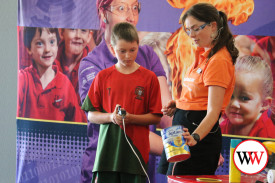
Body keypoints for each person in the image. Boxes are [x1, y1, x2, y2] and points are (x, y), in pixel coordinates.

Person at [78, 0, 172, 182]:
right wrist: (182, 152)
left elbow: (166, 114)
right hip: (104, 169)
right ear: (104, 13)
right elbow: (120, 126)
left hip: (139, 169)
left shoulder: (148, 55)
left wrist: (184, 145)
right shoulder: (92, 65)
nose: (130, 16)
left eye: (134, 8)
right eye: (121, 8)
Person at [158, 3, 239, 175]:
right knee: (173, 178)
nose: (191, 35)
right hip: (182, 129)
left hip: (196, 135)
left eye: (196, 29)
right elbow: (197, 96)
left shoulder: (218, 60)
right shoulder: (201, 54)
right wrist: (179, 104)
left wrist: (195, 137)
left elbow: (212, 111)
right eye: (188, 30)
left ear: (213, 26)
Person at [17, 27, 85, 122]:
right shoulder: (23, 79)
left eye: (52, 42)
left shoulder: (65, 84)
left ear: (57, 45)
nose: (47, 49)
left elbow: (76, 123)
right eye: (40, 43)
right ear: (29, 49)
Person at [220, 56, 275, 138]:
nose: (234, 104)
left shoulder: (267, 135)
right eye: (229, 96)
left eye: (244, 98)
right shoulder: (224, 127)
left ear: (264, 104)